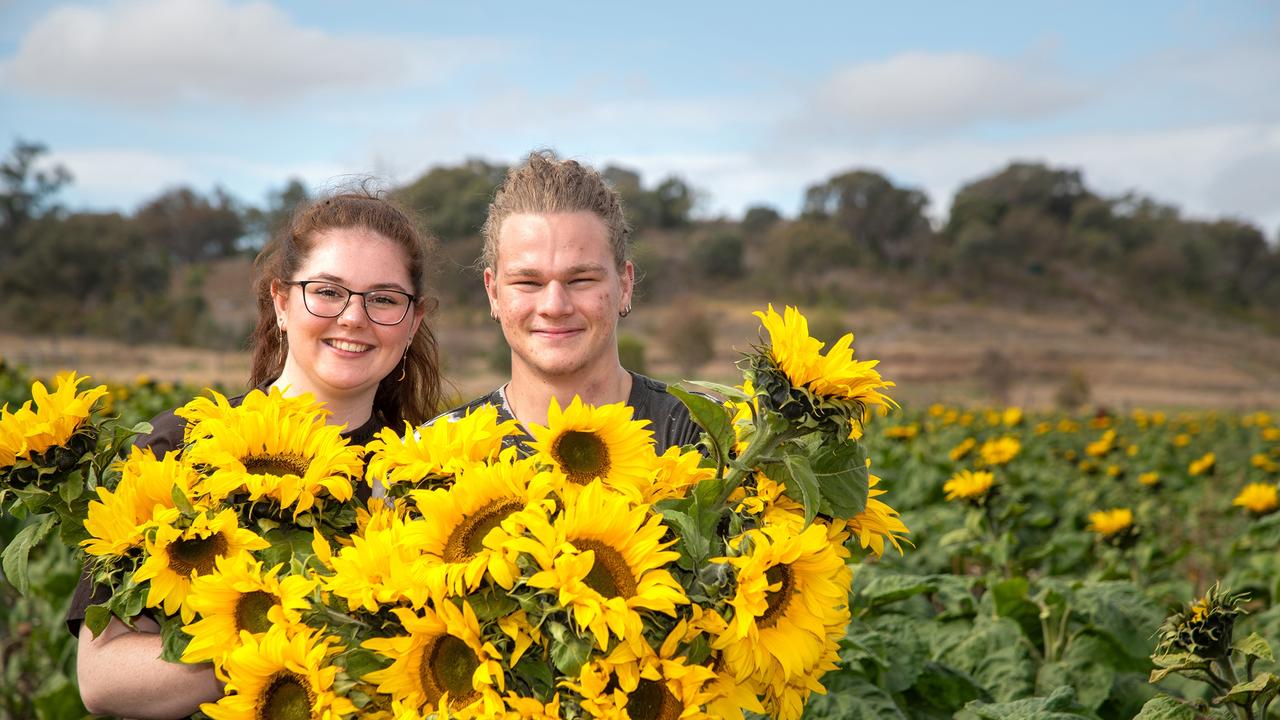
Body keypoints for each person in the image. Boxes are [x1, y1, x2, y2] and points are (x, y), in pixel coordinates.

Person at [69, 189, 445, 719]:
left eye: (383, 299)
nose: (353, 317)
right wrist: (276, 644)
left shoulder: (427, 478)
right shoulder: (178, 445)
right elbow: (102, 677)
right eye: (328, 291)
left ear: (412, 321)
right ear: (281, 302)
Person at [436, 151, 700, 452]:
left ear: (625, 284)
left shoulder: (712, 440)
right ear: (493, 293)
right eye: (528, 282)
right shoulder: (432, 461)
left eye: (581, 280)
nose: (554, 306)